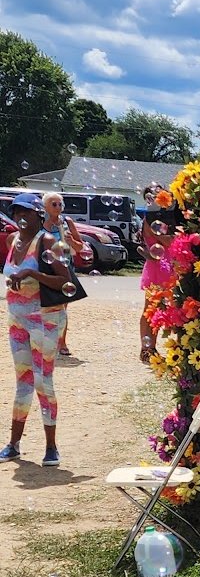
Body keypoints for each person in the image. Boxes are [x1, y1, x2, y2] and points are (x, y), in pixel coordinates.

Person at [1, 194, 71, 466]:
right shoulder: (12, 240)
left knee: (43, 381)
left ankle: (51, 447)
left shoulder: (47, 241)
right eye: (16, 211)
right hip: (17, 320)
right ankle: (13, 445)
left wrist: (31, 274)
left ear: (38, 214)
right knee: (23, 381)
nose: (20, 216)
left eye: (26, 211)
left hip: (45, 319)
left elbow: (64, 280)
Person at [41, 192, 84, 357]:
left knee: (62, 308)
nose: (58, 207)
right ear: (45, 206)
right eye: (54, 204)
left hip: (64, 268)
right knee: (43, 306)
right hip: (44, 267)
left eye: (60, 204)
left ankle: (62, 342)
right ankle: (45, 341)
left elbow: (80, 247)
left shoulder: (67, 222)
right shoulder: (39, 222)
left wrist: (71, 241)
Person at [139, 185, 177, 363]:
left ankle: (151, 348)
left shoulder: (164, 217)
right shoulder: (151, 220)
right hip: (158, 267)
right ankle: (147, 349)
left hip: (168, 266)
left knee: (164, 309)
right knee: (150, 310)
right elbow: (168, 241)